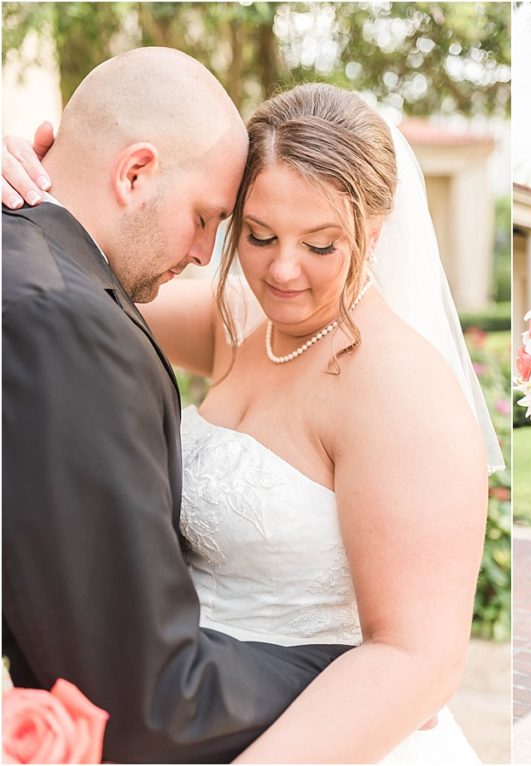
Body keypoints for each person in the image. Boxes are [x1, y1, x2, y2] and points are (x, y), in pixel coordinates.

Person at [4, 52, 502, 763]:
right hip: (176, 698)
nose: (282, 269)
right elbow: (77, 283)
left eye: (322, 243)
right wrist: (27, 189)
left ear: (376, 231)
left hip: (309, 736)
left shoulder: (401, 390)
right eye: (257, 235)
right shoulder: (237, 318)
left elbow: (419, 658)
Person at [2, 48, 349, 763]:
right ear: (135, 173)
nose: (204, 253)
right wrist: (347, 670)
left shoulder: (23, 258)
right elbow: (142, 698)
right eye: (205, 218)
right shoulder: (69, 323)